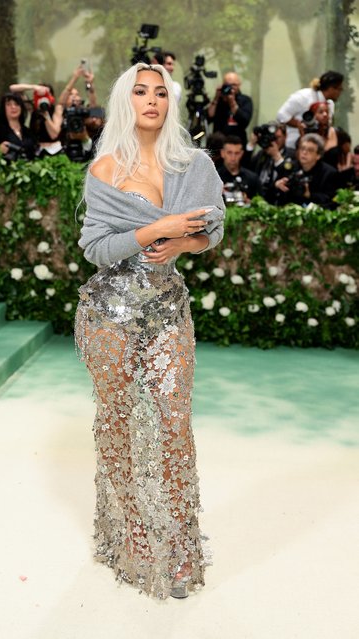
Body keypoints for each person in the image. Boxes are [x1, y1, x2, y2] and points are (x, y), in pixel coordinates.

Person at [75, 62, 225, 600]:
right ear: (125, 102)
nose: (152, 100)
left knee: (173, 422)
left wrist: (183, 244)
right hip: (108, 315)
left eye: (160, 92)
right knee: (116, 423)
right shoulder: (106, 170)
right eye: (140, 92)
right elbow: (95, 248)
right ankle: (132, 535)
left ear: (171, 103)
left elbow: (211, 228)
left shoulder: (194, 165)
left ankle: (181, 548)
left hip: (166, 311)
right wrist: (155, 229)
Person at [276, 71, 344, 148]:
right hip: (293, 146)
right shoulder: (303, 96)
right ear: (331, 88)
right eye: (340, 89)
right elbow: (281, 115)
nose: (340, 93)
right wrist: (300, 125)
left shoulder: (330, 104)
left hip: (318, 148)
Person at [275, 133, 338, 208]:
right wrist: (277, 185)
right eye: (302, 148)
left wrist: (309, 195)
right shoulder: (290, 167)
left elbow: (331, 200)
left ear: (318, 155)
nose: (304, 152)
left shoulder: (329, 173)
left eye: (310, 150)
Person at [245, 122, 296, 204]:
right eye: (272, 138)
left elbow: (288, 178)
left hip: (277, 201)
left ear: (285, 136)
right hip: (258, 198)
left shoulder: (292, 155)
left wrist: (276, 156)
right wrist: (251, 144)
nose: (274, 141)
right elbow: (246, 168)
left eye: (277, 137)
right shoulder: (262, 153)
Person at [207, 71, 253, 148]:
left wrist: (232, 103)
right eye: (228, 85)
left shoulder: (245, 100)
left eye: (234, 85)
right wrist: (216, 98)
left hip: (237, 145)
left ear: (239, 85)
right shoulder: (219, 100)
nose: (231, 87)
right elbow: (209, 116)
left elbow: (244, 121)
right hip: (218, 145)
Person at [0, 92, 37, 161]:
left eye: (16, 104)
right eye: (9, 105)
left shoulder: (27, 131)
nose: (13, 107)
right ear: (3, 108)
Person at [217, 135, 259, 205]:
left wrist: (250, 204)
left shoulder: (252, 178)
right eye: (229, 153)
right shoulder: (215, 178)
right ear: (222, 153)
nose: (233, 158)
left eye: (237, 153)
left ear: (241, 154)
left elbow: (261, 204)